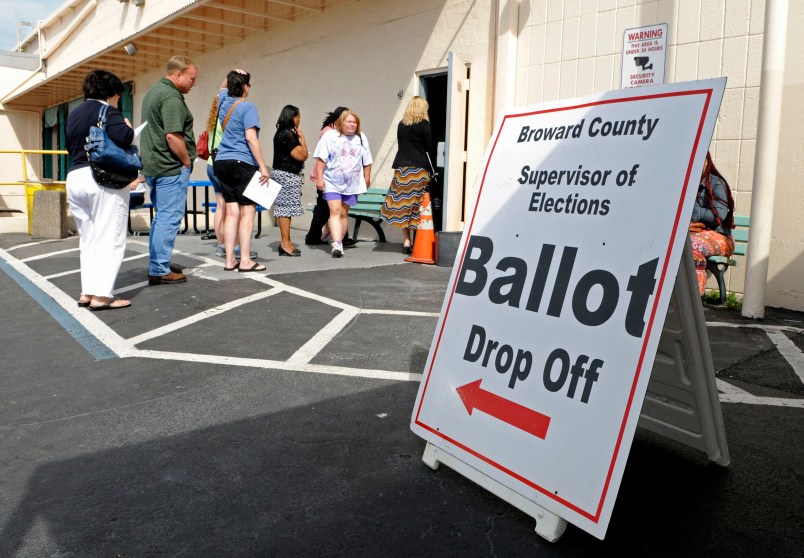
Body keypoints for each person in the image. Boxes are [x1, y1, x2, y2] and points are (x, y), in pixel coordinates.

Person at [65, 70, 141, 310]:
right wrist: (127, 125)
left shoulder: (73, 114)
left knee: (88, 239)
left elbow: (70, 146)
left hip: (75, 177)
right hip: (101, 179)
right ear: (111, 92)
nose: (118, 99)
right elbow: (125, 136)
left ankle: (88, 291)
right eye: (118, 94)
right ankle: (103, 296)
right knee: (111, 237)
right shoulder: (107, 111)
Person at [140, 55, 198, 286]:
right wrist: (185, 161)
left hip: (155, 165)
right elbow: (172, 135)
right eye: (192, 78)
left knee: (160, 218)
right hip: (169, 167)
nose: (195, 83)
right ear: (178, 75)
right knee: (169, 218)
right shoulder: (171, 97)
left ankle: (158, 263)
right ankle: (160, 268)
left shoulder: (154, 92)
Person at [212, 69, 269, 272]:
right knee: (248, 211)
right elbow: (251, 138)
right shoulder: (247, 107)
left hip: (221, 162)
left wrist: (231, 73)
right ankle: (245, 260)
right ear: (245, 87)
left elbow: (222, 87)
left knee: (232, 211)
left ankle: (229, 260)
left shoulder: (222, 103)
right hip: (242, 161)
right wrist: (263, 166)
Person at [205, 85, 256, 260]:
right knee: (236, 210)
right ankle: (236, 247)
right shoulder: (229, 119)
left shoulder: (213, 122)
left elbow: (222, 89)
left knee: (221, 206)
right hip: (232, 162)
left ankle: (222, 244)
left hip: (213, 164)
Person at [381, 96, 436, 255]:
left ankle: (407, 241)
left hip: (402, 169)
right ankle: (419, 240)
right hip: (419, 168)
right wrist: (432, 170)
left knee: (403, 205)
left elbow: (401, 145)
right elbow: (429, 149)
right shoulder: (425, 125)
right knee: (416, 205)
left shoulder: (401, 124)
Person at [313, 110, 372, 257]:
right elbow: (321, 159)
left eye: (355, 122)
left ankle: (339, 239)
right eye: (349, 121)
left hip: (351, 184)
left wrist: (367, 178)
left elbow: (367, 160)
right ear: (341, 122)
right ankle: (337, 244)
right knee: (335, 211)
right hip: (332, 181)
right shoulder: (330, 136)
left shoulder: (361, 137)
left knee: (344, 214)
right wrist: (319, 178)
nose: (352, 124)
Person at [305, 106, 354, 247]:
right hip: (326, 176)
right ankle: (314, 236)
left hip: (335, 177)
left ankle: (340, 236)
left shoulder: (336, 130)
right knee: (324, 208)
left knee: (335, 209)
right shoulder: (328, 131)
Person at [690, 152, 736, 295]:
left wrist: (692, 209)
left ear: (706, 162)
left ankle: (693, 298)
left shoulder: (716, 183)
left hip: (721, 237)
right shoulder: (683, 184)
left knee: (693, 245)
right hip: (693, 233)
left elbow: (719, 217)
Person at [272, 104, 308, 256]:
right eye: (298, 116)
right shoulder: (287, 134)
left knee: (286, 211)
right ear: (292, 117)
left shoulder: (280, 132)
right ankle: (285, 243)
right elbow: (302, 155)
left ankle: (286, 242)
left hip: (283, 174)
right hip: (287, 176)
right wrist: (302, 137)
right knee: (285, 211)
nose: (299, 119)